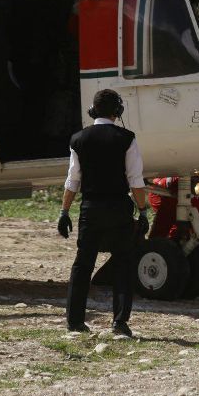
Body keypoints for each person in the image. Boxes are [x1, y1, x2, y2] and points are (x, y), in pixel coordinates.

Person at [57, 89, 148, 337]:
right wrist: (143, 211)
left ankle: (75, 321)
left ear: (93, 111)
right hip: (119, 209)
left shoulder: (78, 139)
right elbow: (135, 181)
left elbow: (72, 180)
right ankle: (119, 323)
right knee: (122, 264)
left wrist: (64, 211)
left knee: (83, 265)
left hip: (91, 209)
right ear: (117, 111)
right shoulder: (127, 138)